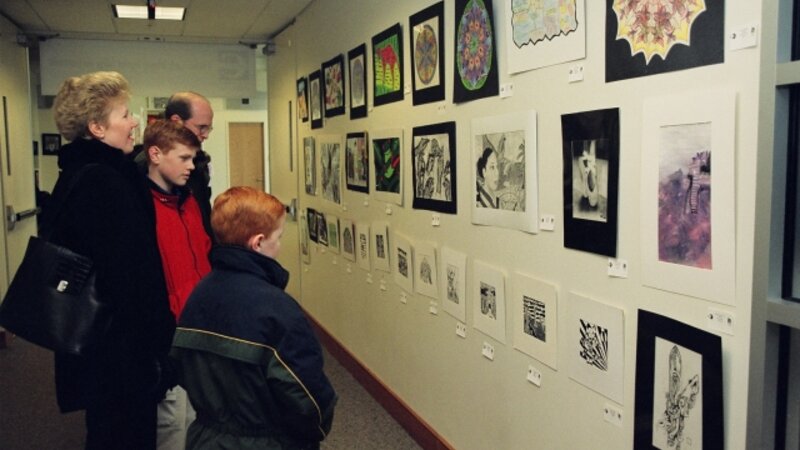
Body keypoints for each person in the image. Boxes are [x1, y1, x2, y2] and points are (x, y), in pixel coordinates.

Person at [48, 71, 175, 449]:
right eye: (124, 115)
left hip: (99, 344)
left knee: (107, 431)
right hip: (119, 348)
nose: (135, 121)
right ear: (97, 128)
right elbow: (130, 279)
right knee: (125, 434)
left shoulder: (78, 172)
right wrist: (159, 344)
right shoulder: (104, 182)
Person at [171, 187, 337, 449]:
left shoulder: (197, 297)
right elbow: (309, 401)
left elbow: (181, 368)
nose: (280, 246)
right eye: (278, 237)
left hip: (205, 439)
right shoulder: (278, 310)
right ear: (258, 242)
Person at [143, 119, 212, 450]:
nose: (191, 166)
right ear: (155, 154)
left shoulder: (190, 203)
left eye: (193, 159)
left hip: (199, 324)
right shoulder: (141, 206)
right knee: (171, 419)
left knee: (197, 414)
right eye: (184, 158)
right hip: (168, 330)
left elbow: (205, 256)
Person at [163, 92, 215, 238]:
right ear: (176, 122)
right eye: (201, 127)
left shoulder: (199, 162)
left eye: (208, 129)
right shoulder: (149, 165)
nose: (205, 135)